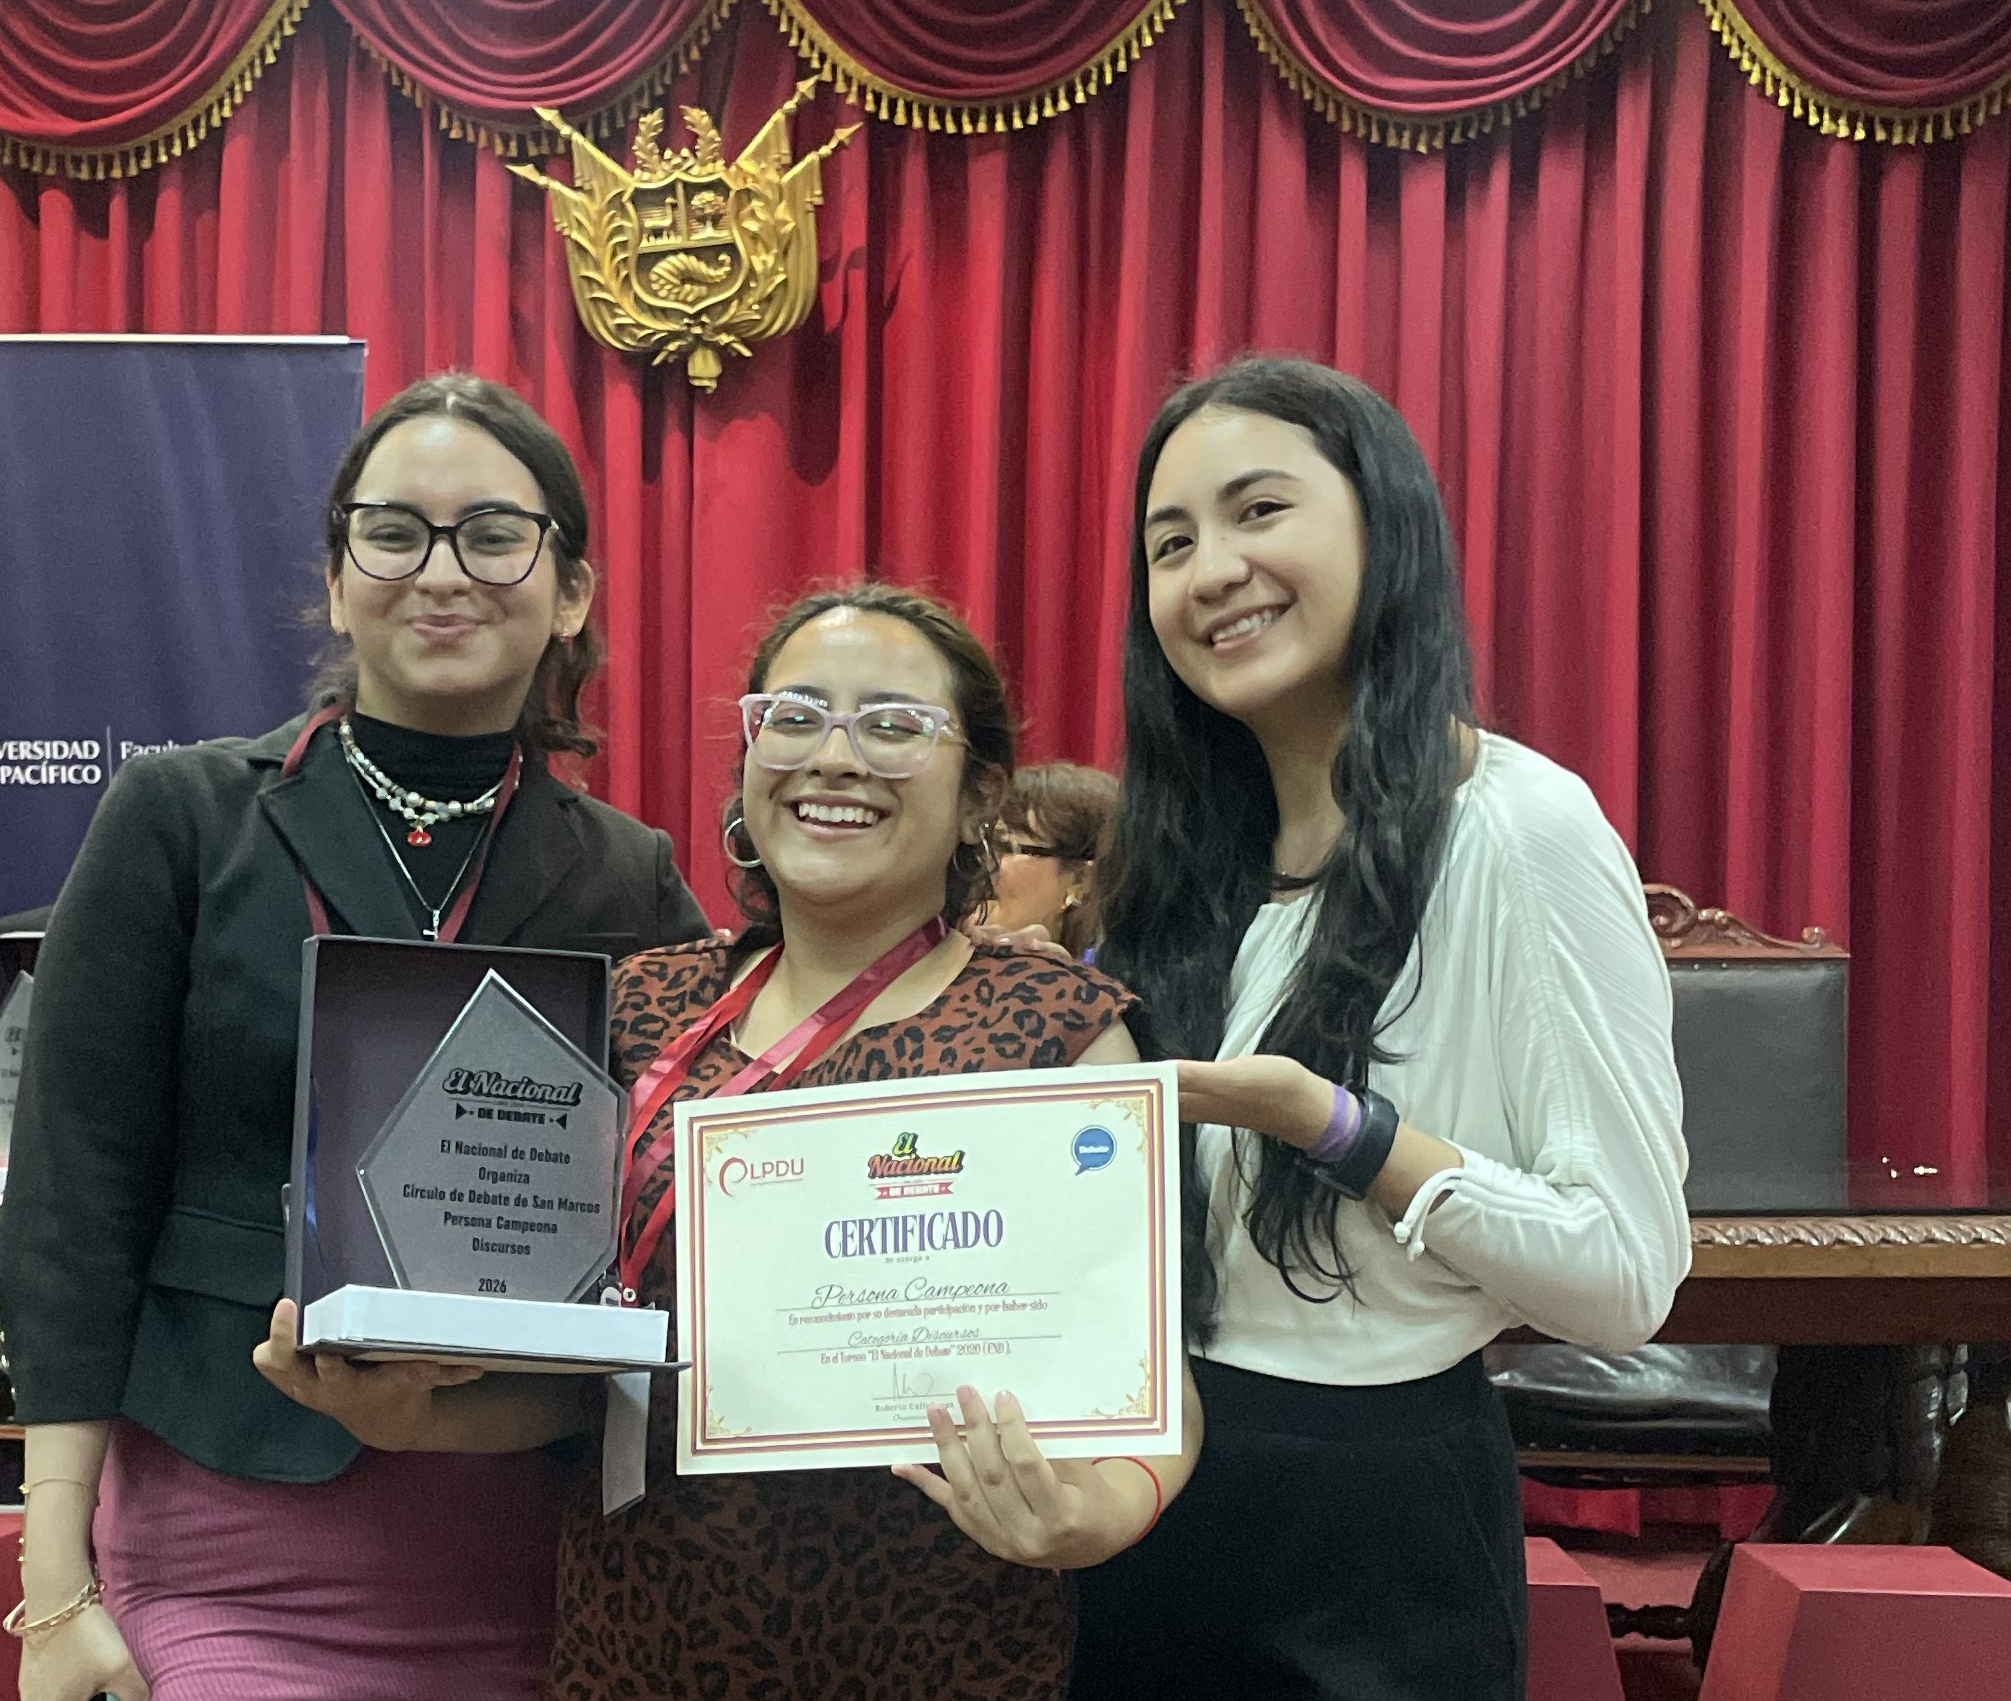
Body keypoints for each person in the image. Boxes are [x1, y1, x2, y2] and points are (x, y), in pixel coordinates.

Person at [256, 582, 1202, 1701]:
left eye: (894, 727)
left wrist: (1100, 1513)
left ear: (976, 791)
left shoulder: (1059, 1028)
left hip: (940, 1647)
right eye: (794, 718)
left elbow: (1151, 1376)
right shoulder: (644, 1009)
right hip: (637, 1638)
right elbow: (597, 1382)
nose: (834, 758)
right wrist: (411, 1415)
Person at [0, 372, 712, 1701]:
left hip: (538, 1546)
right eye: (394, 532)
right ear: (336, 580)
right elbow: (69, 1206)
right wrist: (53, 1593)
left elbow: (669, 1220)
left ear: (569, 592)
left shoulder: (630, 876)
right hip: (229, 1534)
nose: (443, 571)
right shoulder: (184, 818)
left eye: (494, 534)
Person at [1071, 357, 1688, 1701]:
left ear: (1382, 525)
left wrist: (1334, 1127)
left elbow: (1625, 1273)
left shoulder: (1518, 833)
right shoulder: (1175, 867)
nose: (1211, 570)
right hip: (1147, 1487)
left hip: (1378, 1521)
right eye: (1169, 545)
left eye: (1258, 511)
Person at [979, 759, 1117, 957]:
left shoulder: (1110, 985)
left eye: (1006, 847)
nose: (984, 861)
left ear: (1081, 880)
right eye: (983, 844)